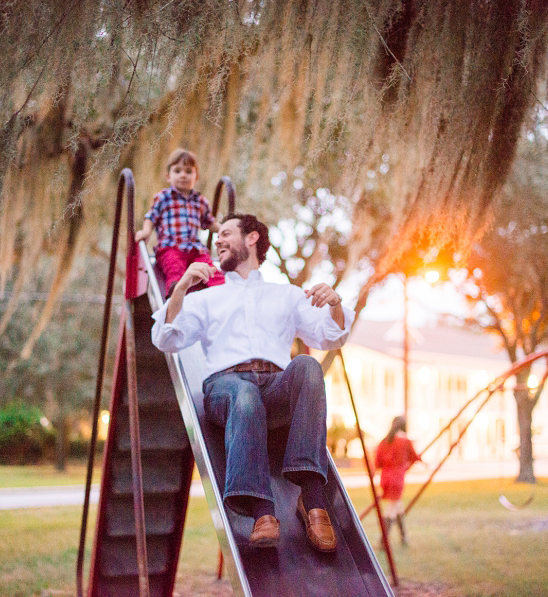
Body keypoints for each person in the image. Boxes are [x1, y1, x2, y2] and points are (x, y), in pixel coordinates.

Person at [151, 213, 353, 552]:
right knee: (244, 392)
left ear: (252, 239)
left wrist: (335, 304)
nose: (219, 241)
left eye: (227, 233)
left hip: (274, 390)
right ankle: (262, 511)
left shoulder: (287, 295)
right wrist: (182, 287)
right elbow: (166, 338)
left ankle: (313, 499)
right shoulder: (205, 298)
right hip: (225, 389)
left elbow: (331, 336)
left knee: (307, 366)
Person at [134, 148, 224, 295]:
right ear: (168, 176)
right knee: (174, 267)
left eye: (188, 171)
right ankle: (176, 291)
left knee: (209, 267)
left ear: (196, 177)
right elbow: (151, 217)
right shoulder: (163, 197)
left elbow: (209, 223)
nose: (183, 175)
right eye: (177, 171)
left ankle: (221, 289)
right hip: (170, 247)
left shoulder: (200, 201)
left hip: (195, 249)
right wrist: (145, 231)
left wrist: (225, 230)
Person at [372, 416, 421, 545]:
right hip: (397, 479)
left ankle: (404, 537)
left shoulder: (384, 441)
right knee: (391, 509)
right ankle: (383, 541)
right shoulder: (405, 441)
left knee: (398, 507)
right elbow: (414, 457)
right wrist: (413, 463)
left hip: (386, 478)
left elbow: (378, 462)